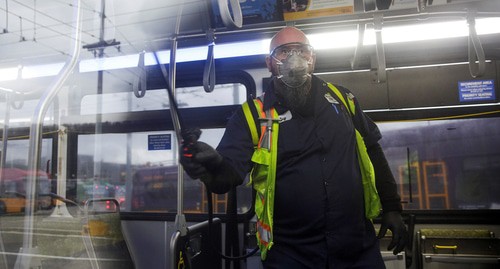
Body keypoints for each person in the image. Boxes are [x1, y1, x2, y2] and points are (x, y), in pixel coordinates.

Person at [180, 26, 408, 269]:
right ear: (270, 63)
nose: (294, 59)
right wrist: (211, 165)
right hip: (290, 255)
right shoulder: (251, 116)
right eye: (284, 52)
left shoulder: (343, 100)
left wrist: (392, 207)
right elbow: (227, 175)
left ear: (313, 59)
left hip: (357, 249)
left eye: (302, 50)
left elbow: (373, 152)